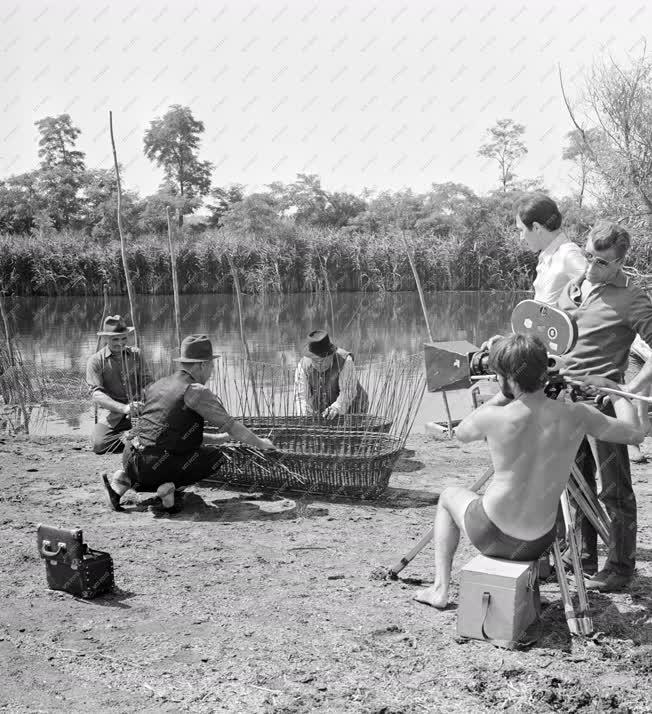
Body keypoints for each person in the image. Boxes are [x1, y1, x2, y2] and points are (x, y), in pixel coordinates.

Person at [414, 333, 643, 609]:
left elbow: (461, 433)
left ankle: (440, 590)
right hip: (540, 542)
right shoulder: (578, 415)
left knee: (448, 496)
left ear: (508, 378)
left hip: (490, 535)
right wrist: (613, 390)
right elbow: (635, 434)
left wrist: (501, 395)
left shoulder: (494, 417)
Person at [554, 220, 652, 590]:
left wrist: (628, 390)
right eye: (589, 258)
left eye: (603, 263)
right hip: (565, 398)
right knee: (574, 483)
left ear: (620, 262)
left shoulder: (632, 297)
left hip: (603, 403)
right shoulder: (573, 288)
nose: (593, 268)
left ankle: (621, 567)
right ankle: (580, 555)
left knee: (614, 490)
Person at [101, 334, 276, 514]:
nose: (211, 372)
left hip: (130, 457)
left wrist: (220, 438)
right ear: (203, 364)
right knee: (214, 457)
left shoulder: (159, 384)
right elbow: (231, 425)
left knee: (157, 459)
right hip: (157, 466)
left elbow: (170, 434)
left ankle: (123, 482)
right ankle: (168, 487)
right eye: (211, 366)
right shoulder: (196, 390)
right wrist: (262, 443)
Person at [86, 315, 150, 455]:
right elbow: (97, 395)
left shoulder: (137, 354)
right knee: (100, 445)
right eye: (115, 339)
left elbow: (148, 383)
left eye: (124, 338)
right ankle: (130, 442)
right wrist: (125, 408)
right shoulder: (95, 361)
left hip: (140, 409)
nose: (120, 343)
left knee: (164, 432)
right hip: (112, 413)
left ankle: (135, 437)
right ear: (105, 338)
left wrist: (146, 401)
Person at [515, 193, 586, 306]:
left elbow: (598, 292)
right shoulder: (547, 255)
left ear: (536, 227)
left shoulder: (568, 254)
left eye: (521, 230)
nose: (521, 237)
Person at [294, 330, 368, 419]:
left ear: (331, 355)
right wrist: (305, 415)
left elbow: (348, 393)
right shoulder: (303, 366)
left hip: (354, 408)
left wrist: (335, 408)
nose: (319, 365)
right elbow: (301, 397)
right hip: (323, 412)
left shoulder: (345, 361)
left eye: (322, 360)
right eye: (315, 361)